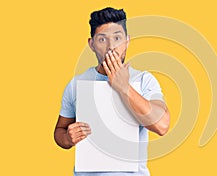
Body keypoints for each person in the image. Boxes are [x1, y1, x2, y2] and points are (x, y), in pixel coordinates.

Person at [54, 7, 170, 176]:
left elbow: (162, 125)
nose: (111, 47)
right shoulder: (76, 84)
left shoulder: (144, 80)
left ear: (127, 41)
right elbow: (60, 131)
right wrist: (67, 138)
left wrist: (123, 87)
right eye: (102, 39)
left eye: (117, 38)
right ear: (91, 44)